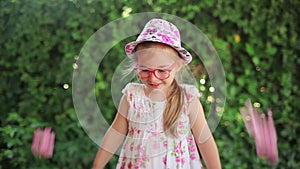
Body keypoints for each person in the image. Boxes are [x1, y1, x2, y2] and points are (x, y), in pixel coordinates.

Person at [93, 18, 221, 169]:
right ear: (137, 66)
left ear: (178, 65)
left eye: (162, 70)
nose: (153, 78)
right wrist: (97, 166)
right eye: (145, 70)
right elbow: (115, 133)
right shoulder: (132, 97)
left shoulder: (187, 100)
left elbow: (205, 141)